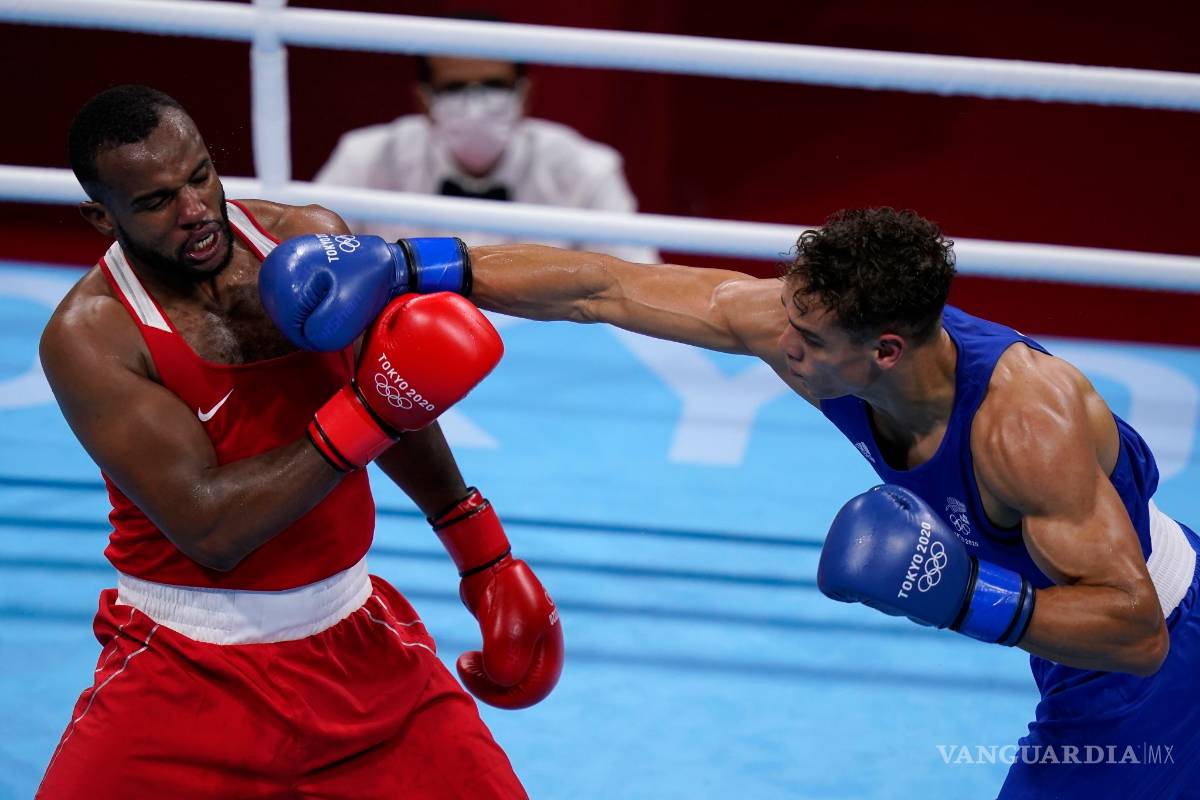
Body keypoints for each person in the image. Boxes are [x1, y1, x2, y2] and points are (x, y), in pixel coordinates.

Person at [262, 208, 1200, 798]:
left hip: (1145, 656)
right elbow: (605, 288)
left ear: (885, 350)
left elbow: (1134, 633)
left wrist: (965, 599)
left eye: (805, 336)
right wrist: (420, 265)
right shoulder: (808, 330)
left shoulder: (1024, 426)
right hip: (1086, 626)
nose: (777, 343)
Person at [36, 84, 562, 799]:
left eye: (199, 177)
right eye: (157, 201)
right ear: (103, 215)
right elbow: (211, 526)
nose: (194, 212)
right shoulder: (93, 336)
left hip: (354, 644)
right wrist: (370, 409)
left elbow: (392, 394)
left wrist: (483, 553)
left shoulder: (305, 241)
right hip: (185, 669)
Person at [314, 22, 658, 264]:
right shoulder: (366, 158)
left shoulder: (586, 169)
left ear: (525, 96)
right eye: (455, 88)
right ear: (424, 102)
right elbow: (308, 260)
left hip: (550, 350)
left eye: (493, 85)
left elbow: (637, 278)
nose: (476, 105)